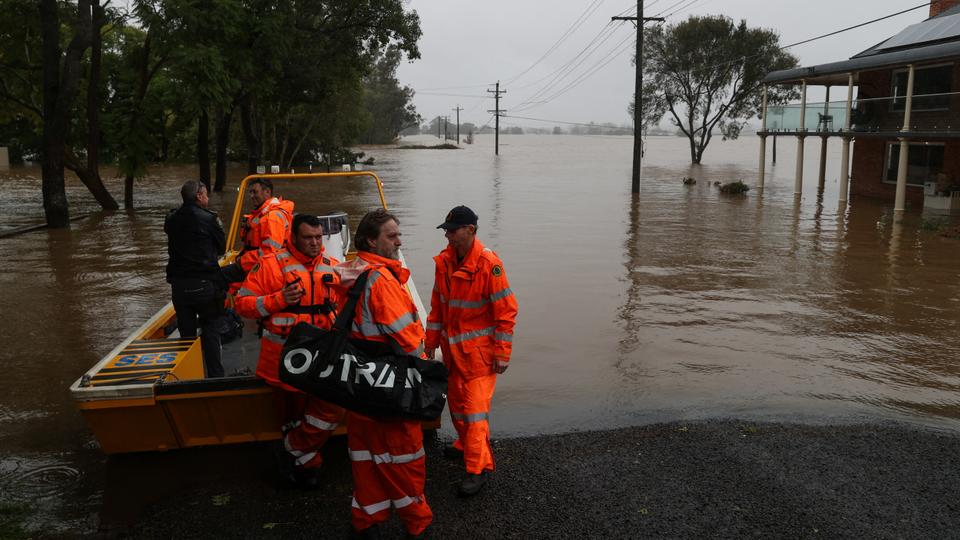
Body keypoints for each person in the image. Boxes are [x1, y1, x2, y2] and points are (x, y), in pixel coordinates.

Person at [336, 209, 432, 540]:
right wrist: (427, 369)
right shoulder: (382, 281)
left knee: (364, 459)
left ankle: (365, 521)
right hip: (388, 386)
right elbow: (408, 342)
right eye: (391, 236)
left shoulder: (349, 271)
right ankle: (417, 524)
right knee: (405, 456)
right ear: (370, 241)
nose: (399, 241)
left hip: (357, 385)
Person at [235, 213, 345, 487]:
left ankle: (291, 452)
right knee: (292, 419)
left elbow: (346, 308)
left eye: (319, 238)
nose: (315, 243)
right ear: (293, 237)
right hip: (283, 360)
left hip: (322, 357)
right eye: (308, 238)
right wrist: (278, 300)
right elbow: (242, 304)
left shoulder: (334, 266)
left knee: (331, 407)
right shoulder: (271, 266)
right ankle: (306, 463)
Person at [425, 205, 518, 497]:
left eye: (453, 231)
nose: (448, 236)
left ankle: (477, 469)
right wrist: (429, 343)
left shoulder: (489, 265)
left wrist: (502, 353)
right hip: (453, 353)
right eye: (446, 231)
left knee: (475, 414)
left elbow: (506, 312)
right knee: (458, 408)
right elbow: (437, 308)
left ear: (471, 230)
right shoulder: (444, 263)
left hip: (479, 357)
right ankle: (466, 446)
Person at [164, 180, 226, 378]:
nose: (208, 197)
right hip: (205, 284)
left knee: (186, 335)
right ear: (199, 196)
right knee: (211, 329)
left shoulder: (171, 219)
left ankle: (189, 376)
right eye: (206, 194)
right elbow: (222, 248)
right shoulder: (210, 219)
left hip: (179, 286)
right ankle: (216, 377)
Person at [223, 178, 295, 284]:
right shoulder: (262, 214)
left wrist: (242, 262)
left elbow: (270, 252)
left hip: (265, 267)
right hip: (255, 261)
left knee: (220, 276)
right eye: (250, 192)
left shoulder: (272, 217)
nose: (251, 196)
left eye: (255, 192)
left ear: (267, 192)